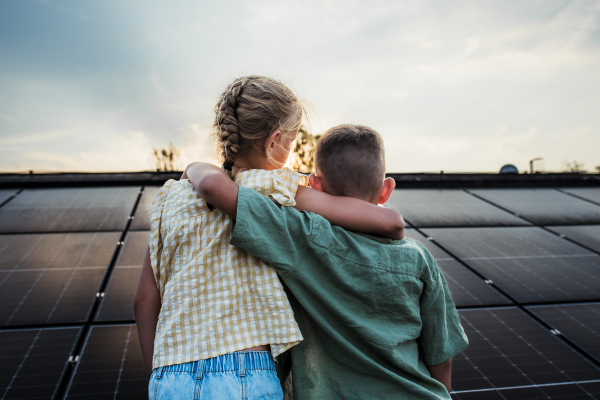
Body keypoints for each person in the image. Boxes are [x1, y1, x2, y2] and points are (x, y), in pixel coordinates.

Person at [134, 78, 405, 400]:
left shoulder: (171, 199)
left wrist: (157, 374)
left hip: (168, 376)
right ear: (275, 141)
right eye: (291, 142)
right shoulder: (276, 187)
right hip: (243, 373)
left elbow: (144, 301)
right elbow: (388, 221)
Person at [184, 124, 469, 400]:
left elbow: (221, 191)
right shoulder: (419, 259)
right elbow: (440, 358)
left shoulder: (302, 236)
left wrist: (193, 167)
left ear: (315, 184)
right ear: (386, 190)